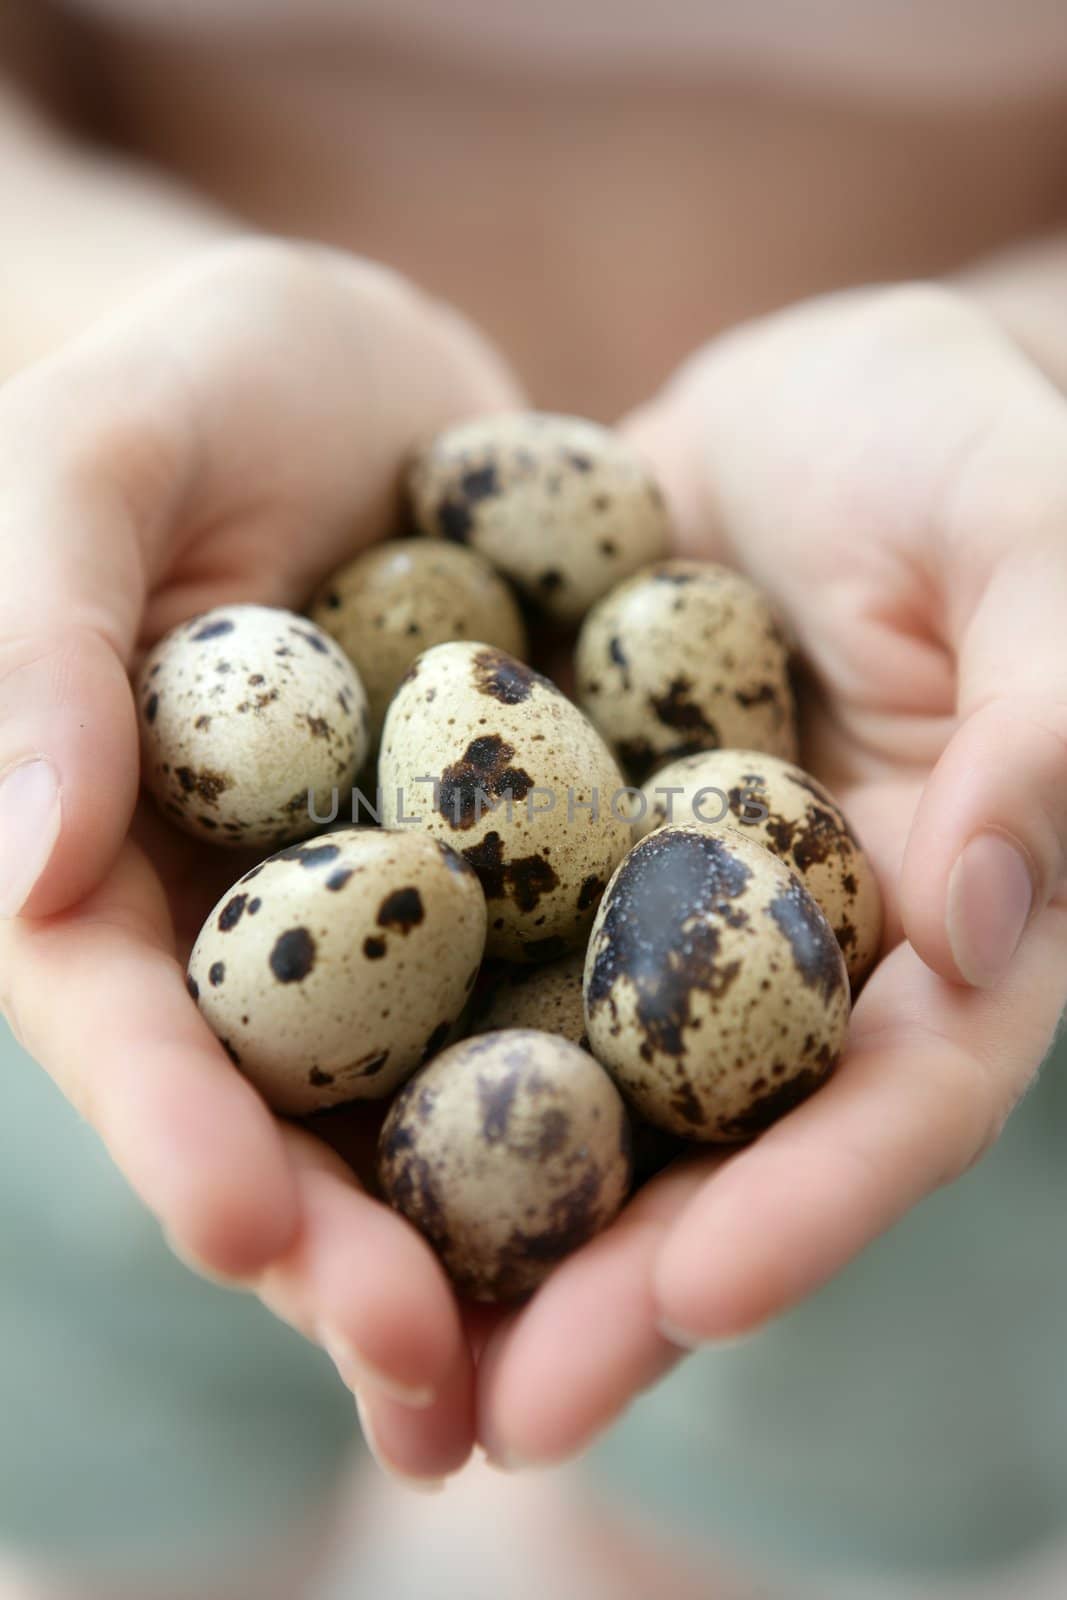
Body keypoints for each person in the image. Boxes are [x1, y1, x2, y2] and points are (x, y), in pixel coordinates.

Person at [2, 0, 1067, 1593]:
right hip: (142, 820)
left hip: (950, 770)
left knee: (782, 1493)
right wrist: (103, 332)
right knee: (134, 1488)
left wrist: (1023, 372)